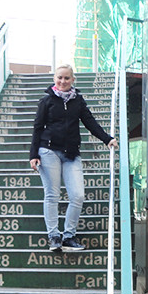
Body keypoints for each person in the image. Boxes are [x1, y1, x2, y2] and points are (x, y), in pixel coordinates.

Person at [29, 64, 117, 252]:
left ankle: (68, 236)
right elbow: (37, 128)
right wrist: (33, 155)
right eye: (59, 77)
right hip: (48, 151)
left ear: (73, 80)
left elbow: (90, 122)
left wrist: (107, 139)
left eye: (67, 78)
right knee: (52, 195)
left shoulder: (78, 101)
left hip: (71, 153)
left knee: (77, 195)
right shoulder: (47, 101)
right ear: (54, 78)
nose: (62, 81)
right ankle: (54, 236)